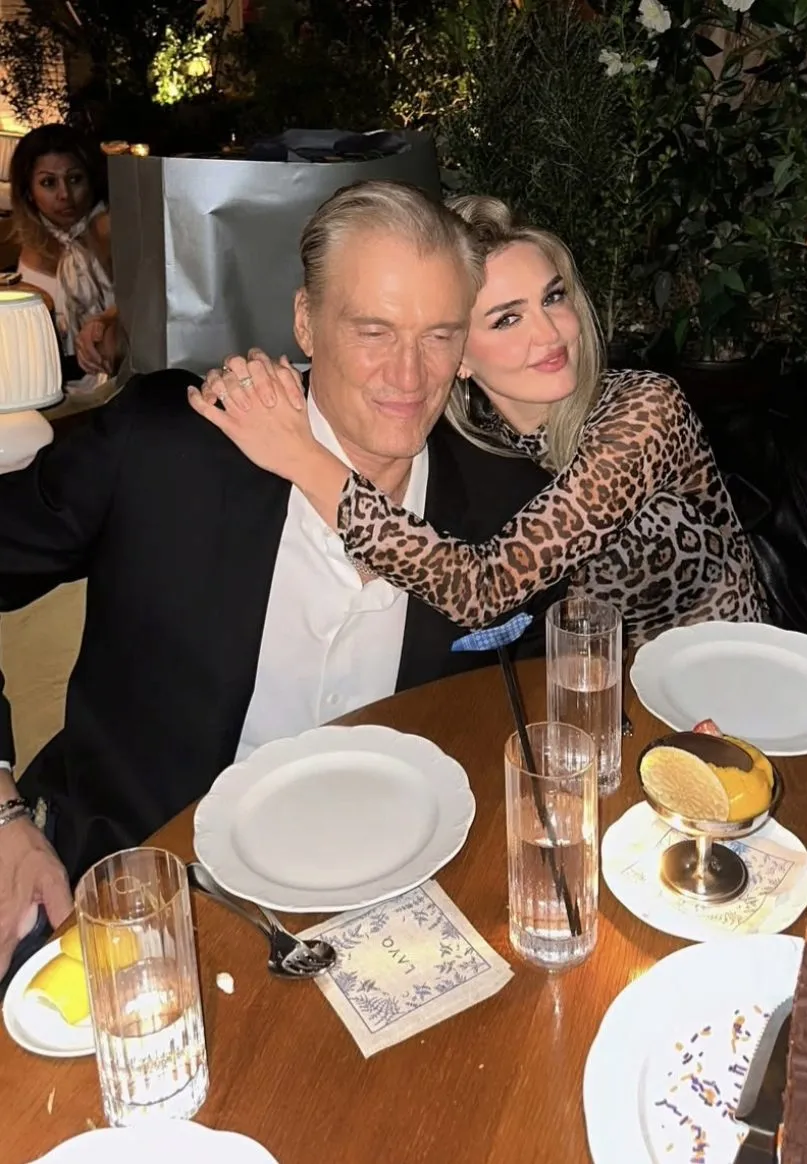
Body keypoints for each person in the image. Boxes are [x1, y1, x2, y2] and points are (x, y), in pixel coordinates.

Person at [0, 180, 564, 989]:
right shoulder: (165, 450)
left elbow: (538, 723)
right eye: (373, 330)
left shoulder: (511, 509)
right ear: (305, 321)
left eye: (438, 335)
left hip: (395, 914)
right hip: (140, 895)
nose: (409, 374)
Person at [195, 196, 765, 646]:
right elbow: (361, 375)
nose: (549, 333)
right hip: (593, 702)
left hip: (724, 681)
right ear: (457, 352)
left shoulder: (644, 409)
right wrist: (254, 384)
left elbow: (484, 588)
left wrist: (302, 457)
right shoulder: (471, 441)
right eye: (507, 319)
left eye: (553, 298)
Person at [10, 124, 120, 377]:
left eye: (74, 179)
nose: (64, 194)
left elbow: (152, 299)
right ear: (29, 192)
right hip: (47, 374)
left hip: (117, 374)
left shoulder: (115, 227)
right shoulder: (32, 241)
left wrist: (109, 319)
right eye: (48, 182)